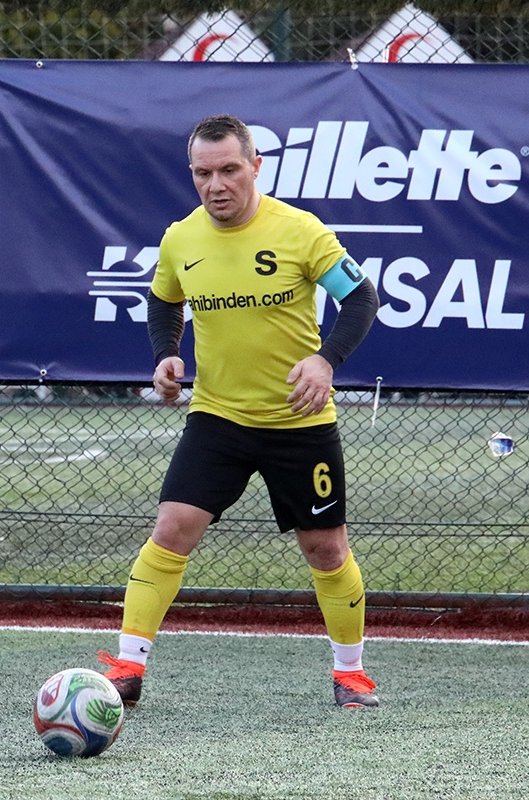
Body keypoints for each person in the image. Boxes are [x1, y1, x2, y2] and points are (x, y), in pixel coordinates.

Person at [97, 114, 382, 708]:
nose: (216, 184)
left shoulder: (301, 231)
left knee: (326, 550)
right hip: (218, 418)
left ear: (255, 167)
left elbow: (360, 297)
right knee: (171, 529)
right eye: (203, 173)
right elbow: (164, 300)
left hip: (299, 421)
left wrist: (325, 360)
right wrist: (166, 353)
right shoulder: (181, 238)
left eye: (229, 170)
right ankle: (127, 667)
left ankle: (350, 674)